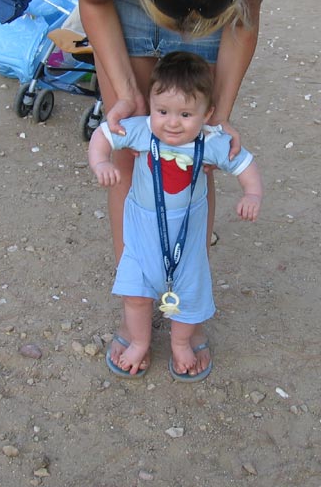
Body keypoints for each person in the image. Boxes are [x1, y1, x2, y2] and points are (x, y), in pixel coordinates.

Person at [73, 0, 272, 375]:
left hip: (215, 2)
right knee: (132, 155)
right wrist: (125, 94)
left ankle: (186, 300)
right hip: (124, 4)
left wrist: (220, 115)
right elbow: (93, 0)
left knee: (193, 153)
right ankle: (138, 296)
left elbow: (242, 21)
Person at [88, 52, 263, 380]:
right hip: (142, 235)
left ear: (207, 114)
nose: (172, 122)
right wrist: (100, 162)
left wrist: (251, 193)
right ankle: (139, 341)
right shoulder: (143, 131)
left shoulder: (210, 142)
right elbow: (104, 135)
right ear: (151, 106)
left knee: (189, 291)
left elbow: (244, 163)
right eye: (162, 111)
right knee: (135, 294)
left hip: (187, 236)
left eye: (185, 114)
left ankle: (181, 343)